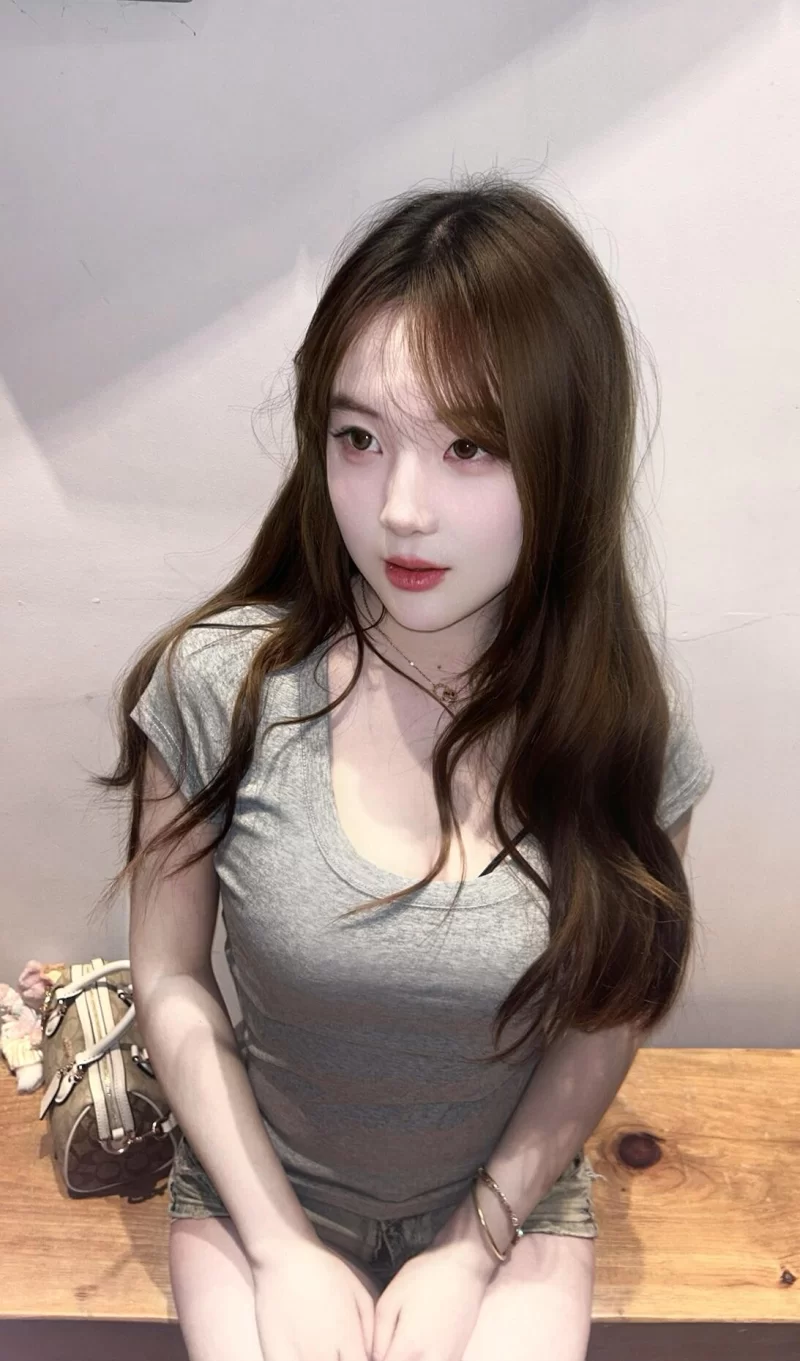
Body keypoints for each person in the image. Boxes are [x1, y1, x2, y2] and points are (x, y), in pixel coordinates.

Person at [93, 173, 714, 1361]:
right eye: (358, 438)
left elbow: (604, 1019)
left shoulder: (623, 731)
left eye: (468, 444)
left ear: (565, 450)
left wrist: (471, 1246)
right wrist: (279, 1247)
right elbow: (169, 976)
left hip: (505, 1200)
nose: (400, 509)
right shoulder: (217, 689)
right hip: (257, 1189)